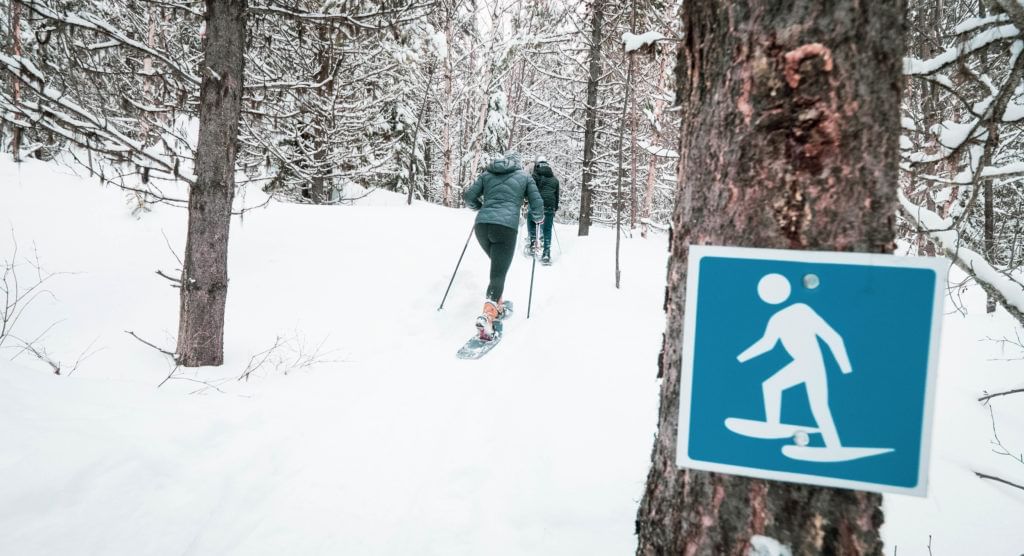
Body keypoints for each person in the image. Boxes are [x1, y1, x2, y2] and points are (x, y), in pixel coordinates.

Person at [463, 152, 544, 340]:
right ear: (518, 163)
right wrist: (538, 219)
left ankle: (497, 304)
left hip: (482, 227)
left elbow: (469, 197)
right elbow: (537, 204)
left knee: (497, 268)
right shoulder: (524, 176)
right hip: (505, 228)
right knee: (498, 272)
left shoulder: (487, 174)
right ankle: (487, 316)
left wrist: (479, 207)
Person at [524, 155, 560, 264]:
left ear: (537, 165)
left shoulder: (534, 177)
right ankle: (546, 254)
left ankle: (532, 245)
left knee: (531, 221)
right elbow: (556, 196)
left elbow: (529, 192)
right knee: (547, 229)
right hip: (549, 206)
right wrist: (554, 209)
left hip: (536, 205)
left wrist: (526, 200)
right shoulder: (555, 180)